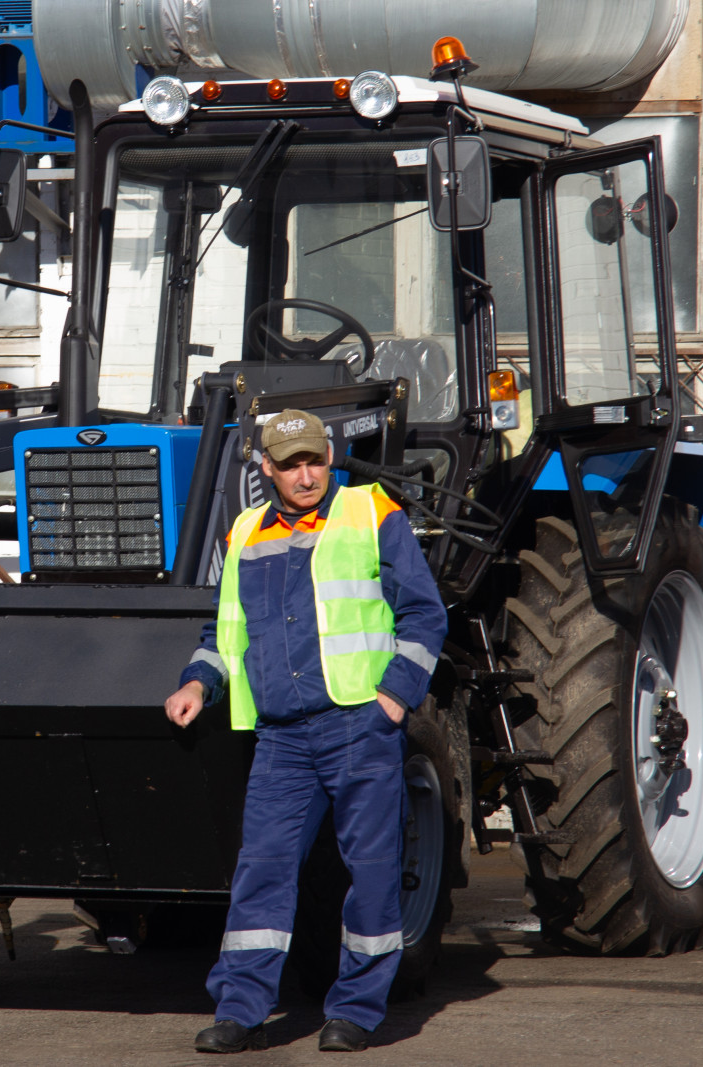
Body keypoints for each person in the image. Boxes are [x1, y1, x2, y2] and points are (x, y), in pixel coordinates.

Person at [164, 408, 447, 1054]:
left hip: (361, 726)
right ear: (266, 468)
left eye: (315, 459)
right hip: (283, 740)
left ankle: (356, 1008)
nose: (306, 473)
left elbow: (426, 614)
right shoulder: (244, 533)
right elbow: (223, 633)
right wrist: (196, 683)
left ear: (330, 459)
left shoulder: (372, 511)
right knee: (260, 871)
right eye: (290, 463)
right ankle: (240, 1007)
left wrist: (394, 700)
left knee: (371, 873)